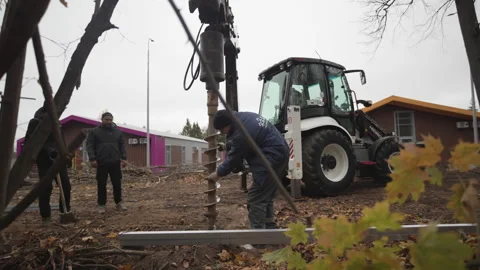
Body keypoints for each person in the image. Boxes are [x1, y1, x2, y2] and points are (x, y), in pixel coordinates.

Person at [207, 109, 289, 230]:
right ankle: (270, 229)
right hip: (280, 152)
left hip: (271, 158)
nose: (222, 133)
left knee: (256, 198)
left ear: (227, 124)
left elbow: (234, 157)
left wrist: (219, 173)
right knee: (266, 195)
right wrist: (227, 146)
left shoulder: (241, 133)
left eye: (221, 130)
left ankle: (258, 237)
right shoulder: (243, 117)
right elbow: (246, 140)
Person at [25, 107, 73, 224]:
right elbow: (30, 142)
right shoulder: (35, 122)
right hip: (44, 160)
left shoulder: (57, 123)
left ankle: (64, 212)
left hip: (59, 159)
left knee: (65, 186)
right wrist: (48, 150)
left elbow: (61, 141)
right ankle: (45, 216)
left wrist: (66, 155)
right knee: (46, 187)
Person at [86, 112, 127, 213]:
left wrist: (124, 158)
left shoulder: (118, 132)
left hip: (115, 162)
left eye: (110, 120)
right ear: (102, 120)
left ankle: (119, 203)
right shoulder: (95, 132)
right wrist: (92, 159)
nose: (109, 121)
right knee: (101, 184)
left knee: (117, 183)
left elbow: (122, 145)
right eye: (106, 119)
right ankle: (101, 205)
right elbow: (89, 145)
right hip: (101, 162)